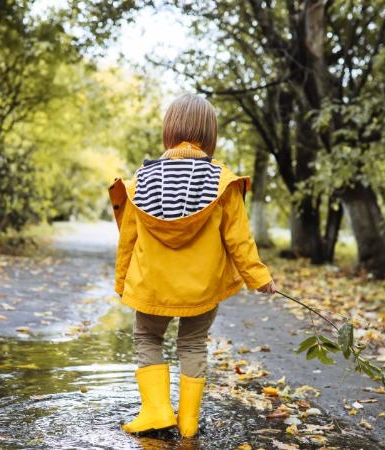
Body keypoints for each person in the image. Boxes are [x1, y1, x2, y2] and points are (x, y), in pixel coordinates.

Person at [108, 94, 275, 438]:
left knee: (147, 337)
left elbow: (128, 240)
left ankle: (156, 411)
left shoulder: (142, 180)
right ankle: (187, 424)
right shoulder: (222, 182)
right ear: (210, 135)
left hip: (153, 285)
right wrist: (260, 278)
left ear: (169, 131)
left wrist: (122, 281)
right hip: (201, 289)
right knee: (193, 345)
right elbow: (239, 240)